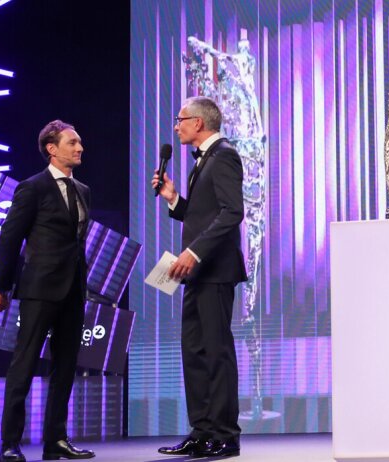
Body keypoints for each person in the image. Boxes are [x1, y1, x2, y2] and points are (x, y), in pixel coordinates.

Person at [0, 120, 95, 461]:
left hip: (73, 291)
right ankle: (10, 444)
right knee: (23, 365)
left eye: (79, 143)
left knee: (65, 367)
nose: (79, 148)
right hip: (38, 289)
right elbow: (10, 237)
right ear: (52, 148)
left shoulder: (83, 190)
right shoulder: (32, 188)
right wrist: (2, 286)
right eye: (72, 142)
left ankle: (56, 440)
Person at [153, 96, 247, 458]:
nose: (176, 126)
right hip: (196, 274)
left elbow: (231, 212)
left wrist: (193, 252)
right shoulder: (204, 159)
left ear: (199, 123)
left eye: (180, 120)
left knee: (216, 351)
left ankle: (225, 435)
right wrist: (174, 198)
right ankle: (202, 431)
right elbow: (202, 215)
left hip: (214, 269)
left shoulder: (223, 154)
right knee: (193, 351)